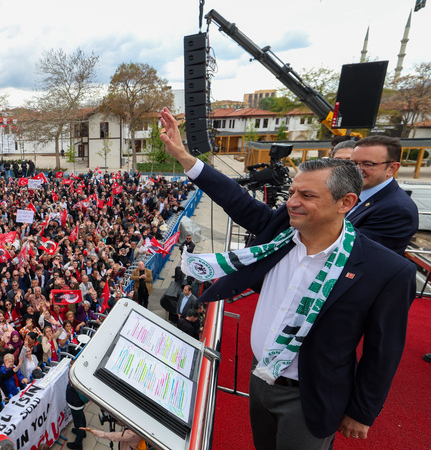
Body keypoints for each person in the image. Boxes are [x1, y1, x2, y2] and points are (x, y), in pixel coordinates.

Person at [159, 107, 416, 447]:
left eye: (307, 196)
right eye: (293, 192)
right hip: (260, 378)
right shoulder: (283, 232)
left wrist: (362, 410)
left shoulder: (387, 270)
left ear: (346, 203)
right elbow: (238, 201)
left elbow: (384, 350)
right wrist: (184, 158)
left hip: (309, 395)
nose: (292, 203)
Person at [347, 135, 419, 255]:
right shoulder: (352, 193)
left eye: (368, 164)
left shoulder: (397, 210)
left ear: (392, 168)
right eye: (353, 163)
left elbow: (357, 252)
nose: (357, 169)